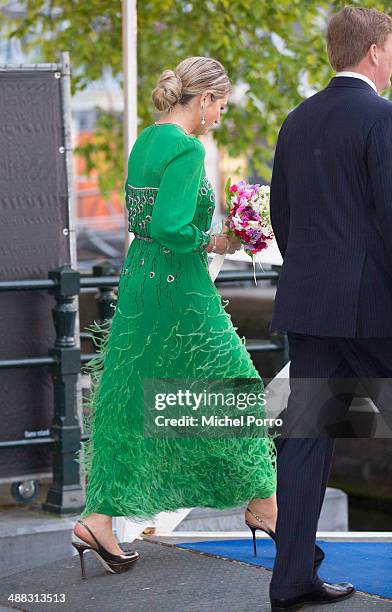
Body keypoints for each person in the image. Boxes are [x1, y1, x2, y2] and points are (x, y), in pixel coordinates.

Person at [73, 56, 278, 579]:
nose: (220, 118)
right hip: (180, 287)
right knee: (238, 387)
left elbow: (142, 218)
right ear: (204, 99)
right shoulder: (187, 148)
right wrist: (218, 239)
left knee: (129, 396)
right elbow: (169, 223)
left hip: (140, 281)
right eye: (221, 107)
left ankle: (98, 518)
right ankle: (263, 503)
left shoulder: (146, 139)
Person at [269, 6, 392, 611]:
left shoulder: (296, 121)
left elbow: (283, 220)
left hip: (311, 305)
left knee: (307, 439)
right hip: (375, 308)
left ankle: (290, 580)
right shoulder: (382, 118)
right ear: (374, 52)